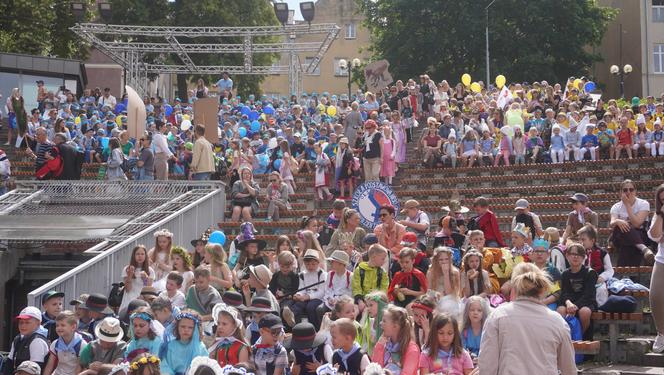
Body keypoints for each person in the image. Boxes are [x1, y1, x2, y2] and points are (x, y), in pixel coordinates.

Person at [479, 263, 577, 375]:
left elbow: (487, 365)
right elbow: (569, 369)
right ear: (541, 288)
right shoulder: (557, 321)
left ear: (514, 287)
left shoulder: (497, 316)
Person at [609, 179, 654, 266]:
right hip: (619, 236)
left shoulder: (644, 203)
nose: (628, 192)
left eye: (631, 189)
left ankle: (624, 274)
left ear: (635, 191)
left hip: (640, 235)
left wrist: (627, 205)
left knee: (628, 244)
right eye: (625, 190)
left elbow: (637, 224)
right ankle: (644, 249)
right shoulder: (616, 206)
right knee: (620, 227)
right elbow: (612, 223)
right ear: (621, 192)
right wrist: (618, 221)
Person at [557, 243, 597, 335]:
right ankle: (565, 337)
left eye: (579, 255)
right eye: (573, 254)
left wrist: (575, 306)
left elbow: (589, 294)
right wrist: (568, 303)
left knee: (585, 312)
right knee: (560, 310)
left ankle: (579, 336)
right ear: (567, 256)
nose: (576, 257)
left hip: (585, 302)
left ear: (584, 257)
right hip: (569, 302)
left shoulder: (590, 273)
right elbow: (564, 293)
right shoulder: (565, 274)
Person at [371, 305, 420, 375]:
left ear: (395, 326)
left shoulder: (412, 349)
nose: (380, 323)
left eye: (384, 321)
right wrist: (379, 346)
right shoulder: (384, 344)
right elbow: (374, 370)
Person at [285, 249, 327, 329]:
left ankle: (314, 328)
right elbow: (301, 288)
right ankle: (293, 322)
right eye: (308, 264)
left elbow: (322, 292)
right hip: (305, 297)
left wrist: (308, 297)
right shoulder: (302, 275)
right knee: (298, 305)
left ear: (318, 263)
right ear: (304, 263)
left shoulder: (322, 274)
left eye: (313, 264)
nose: (310, 266)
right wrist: (298, 295)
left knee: (310, 307)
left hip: (318, 298)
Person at [160, 310, 208, 375]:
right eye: (183, 326)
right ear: (177, 327)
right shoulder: (170, 346)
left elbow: (205, 367)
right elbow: (164, 366)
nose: (186, 330)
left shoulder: (200, 347)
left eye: (190, 327)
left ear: (196, 329)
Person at [3, 306, 49, 374]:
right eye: (21, 322)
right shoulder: (18, 338)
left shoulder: (37, 341)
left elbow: (34, 370)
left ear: (38, 324)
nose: (23, 325)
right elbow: (9, 362)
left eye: (27, 322)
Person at [43, 311, 86, 375]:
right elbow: (50, 365)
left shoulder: (81, 345)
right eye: (57, 325)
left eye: (63, 325)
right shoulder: (55, 344)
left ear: (73, 327)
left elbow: (79, 367)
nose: (59, 328)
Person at [648, 184, 664, 353]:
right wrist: (661, 215)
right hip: (662, 260)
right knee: (656, 296)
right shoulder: (657, 215)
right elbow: (655, 235)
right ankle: (661, 333)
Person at [351, 245, 389, 311]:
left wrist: (374, 301)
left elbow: (383, 289)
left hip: (376, 301)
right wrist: (360, 301)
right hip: (361, 300)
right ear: (374, 257)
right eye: (382, 259)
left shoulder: (382, 272)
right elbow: (356, 287)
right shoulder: (359, 270)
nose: (384, 261)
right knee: (355, 310)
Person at [120, 245, 155, 312]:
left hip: (143, 299)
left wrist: (145, 279)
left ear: (145, 256)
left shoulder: (150, 271)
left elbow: (148, 290)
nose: (140, 256)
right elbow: (127, 289)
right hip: (129, 298)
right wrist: (130, 275)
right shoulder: (127, 269)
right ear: (134, 256)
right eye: (137, 254)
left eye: (142, 254)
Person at [460, 296, 489, 360]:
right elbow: (462, 350)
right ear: (467, 312)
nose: (475, 313)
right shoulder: (464, 331)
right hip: (467, 362)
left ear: (483, 313)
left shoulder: (487, 331)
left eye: (479, 310)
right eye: (472, 310)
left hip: (483, 362)